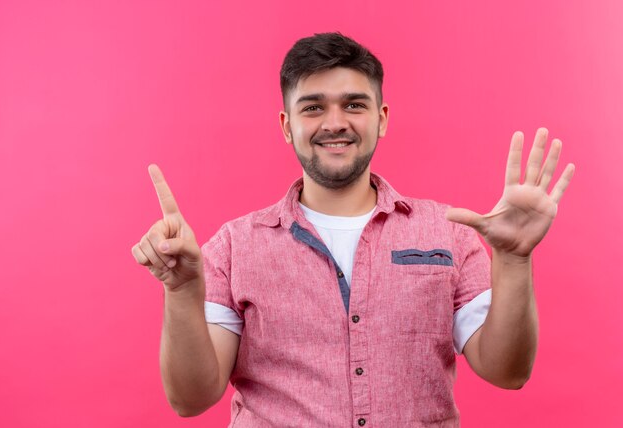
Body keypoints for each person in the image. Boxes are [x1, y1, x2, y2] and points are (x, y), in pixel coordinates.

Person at [131, 32, 575, 427]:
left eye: (354, 104)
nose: (335, 122)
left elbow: (508, 371)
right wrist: (182, 290)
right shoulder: (233, 247)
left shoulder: (450, 235)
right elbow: (191, 399)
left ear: (381, 118)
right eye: (313, 107)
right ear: (288, 126)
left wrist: (515, 260)